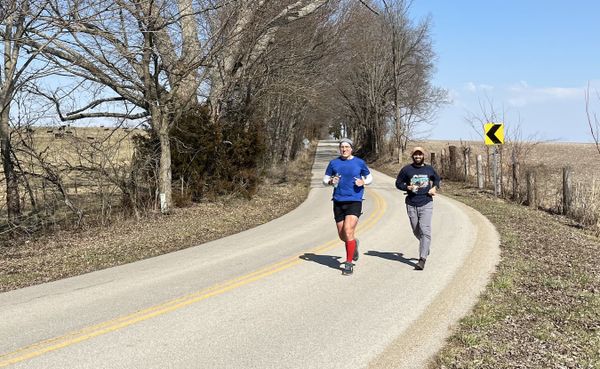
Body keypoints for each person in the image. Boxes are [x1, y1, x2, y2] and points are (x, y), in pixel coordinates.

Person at [323, 138, 373, 276]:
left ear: (351, 148)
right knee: (342, 235)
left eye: (347, 147)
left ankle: (349, 263)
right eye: (342, 147)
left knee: (348, 230)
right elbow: (325, 179)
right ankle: (353, 243)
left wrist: (363, 181)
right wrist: (330, 181)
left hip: (354, 200)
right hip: (338, 200)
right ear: (340, 149)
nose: (344, 149)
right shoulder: (334, 163)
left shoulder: (359, 162)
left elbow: (369, 178)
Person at [395, 146, 441, 270]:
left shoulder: (429, 169)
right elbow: (398, 183)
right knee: (416, 230)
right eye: (416, 154)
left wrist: (434, 188)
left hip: (426, 202)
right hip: (411, 203)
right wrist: (407, 187)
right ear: (412, 156)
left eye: (420, 154)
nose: (418, 156)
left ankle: (422, 259)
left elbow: (437, 179)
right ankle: (425, 246)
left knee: (425, 231)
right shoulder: (406, 170)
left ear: (423, 156)